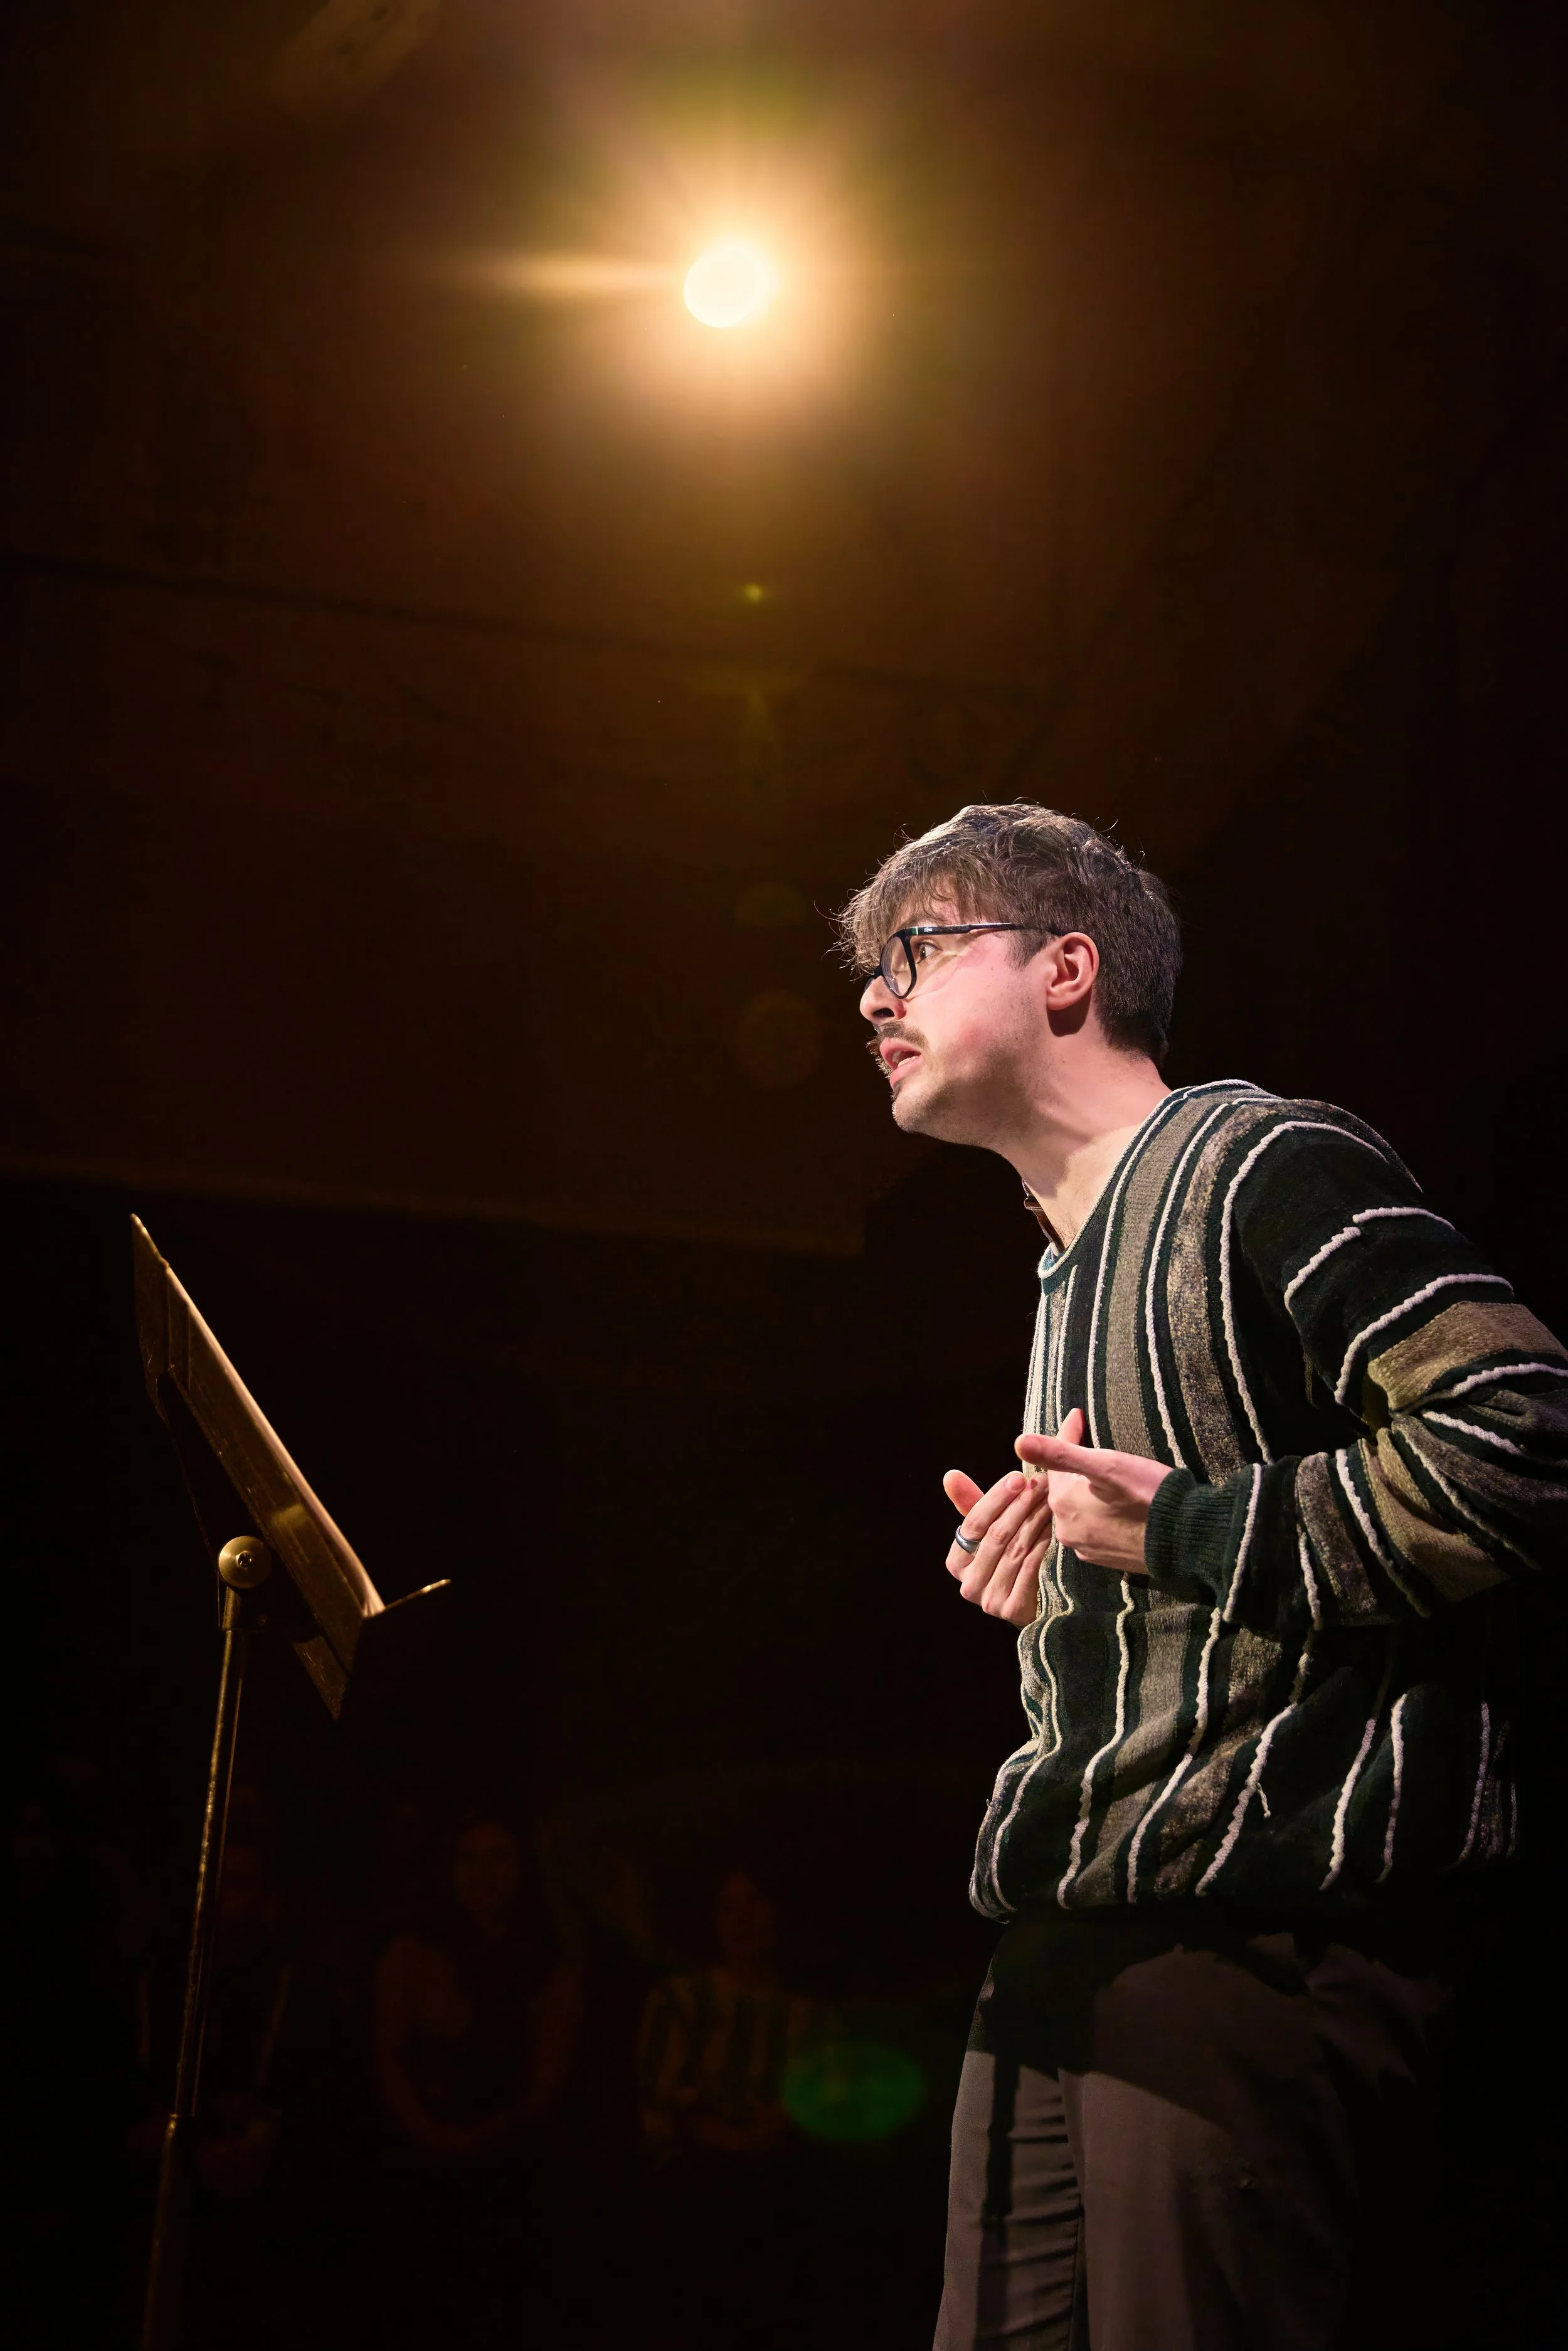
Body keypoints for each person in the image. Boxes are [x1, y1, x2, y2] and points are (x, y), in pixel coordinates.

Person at [840, 802, 1568, 2351]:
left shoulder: (1257, 1160)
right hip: (1063, 1936)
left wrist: (1181, 1533)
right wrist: (1074, 1598)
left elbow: (1521, 1432)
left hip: (1244, 1939)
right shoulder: (1060, 1262)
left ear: (1067, 968)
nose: (871, 998)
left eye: (914, 947)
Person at [370, 1813, 580, 2343]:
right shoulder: (410, 1953)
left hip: (508, 2175)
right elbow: (388, 2058)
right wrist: (427, 2132)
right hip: (417, 2165)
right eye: (469, 1858)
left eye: (499, 1858)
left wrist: (480, 2138)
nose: (482, 1874)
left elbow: (546, 2087)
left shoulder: (550, 1965)